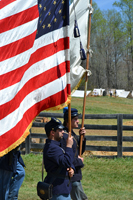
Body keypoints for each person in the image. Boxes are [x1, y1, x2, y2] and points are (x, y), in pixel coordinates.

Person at [43, 117, 75, 200]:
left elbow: (68, 161)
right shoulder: (51, 148)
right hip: (58, 190)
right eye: (60, 130)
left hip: (62, 189)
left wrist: (72, 169)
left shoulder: (56, 146)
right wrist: (69, 146)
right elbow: (66, 162)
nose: (63, 132)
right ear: (52, 132)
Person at [61, 107, 88, 200]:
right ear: (68, 120)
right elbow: (67, 157)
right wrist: (79, 161)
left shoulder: (72, 134)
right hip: (71, 176)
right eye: (75, 119)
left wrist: (82, 138)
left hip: (76, 174)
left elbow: (79, 151)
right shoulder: (65, 136)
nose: (78, 121)